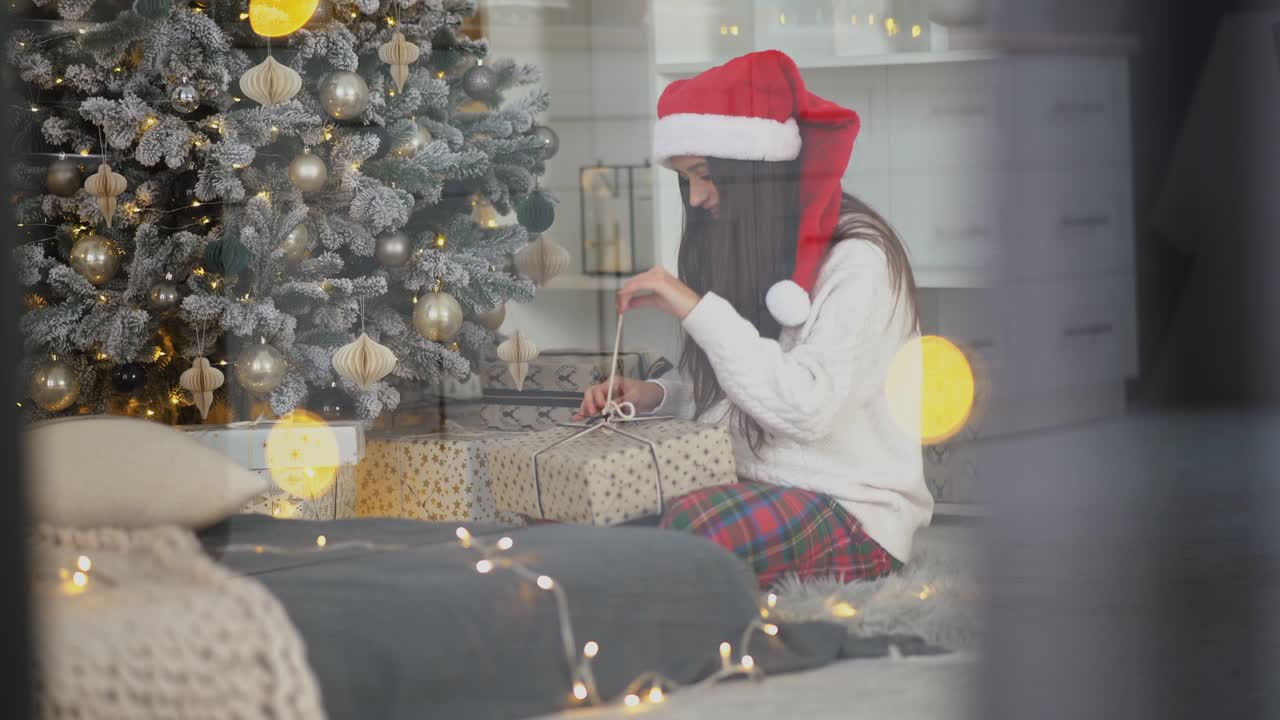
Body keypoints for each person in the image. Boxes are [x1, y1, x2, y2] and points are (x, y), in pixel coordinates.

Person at [574, 50, 933, 589]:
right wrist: (655, 395)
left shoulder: (860, 259)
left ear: (752, 168)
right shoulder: (749, 243)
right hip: (747, 481)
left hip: (851, 509)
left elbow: (805, 409)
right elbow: (740, 381)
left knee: (693, 529)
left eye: (704, 174)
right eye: (684, 178)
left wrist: (697, 309)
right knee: (599, 507)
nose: (695, 198)